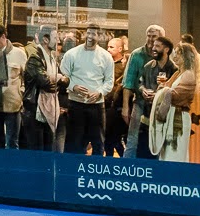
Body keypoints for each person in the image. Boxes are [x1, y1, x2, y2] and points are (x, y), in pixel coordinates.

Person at [60, 25, 114, 157]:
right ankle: (73, 168)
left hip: (97, 106)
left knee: (98, 144)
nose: (90, 36)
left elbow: (109, 81)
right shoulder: (71, 54)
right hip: (75, 104)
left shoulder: (106, 56)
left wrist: (100, 92)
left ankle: (95, 169)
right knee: (74, 143)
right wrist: (73, 86)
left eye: (93, 34)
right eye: (88, 33)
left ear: (99, 36)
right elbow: (63, 76)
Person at [147, 40, 200, 162]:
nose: (174, 57)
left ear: (186, 57)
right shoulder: (178, 73)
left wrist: (163, 91)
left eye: (178, 54)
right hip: (170, 117)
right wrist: (161, 91)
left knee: (175, 155)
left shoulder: (188, 75)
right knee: (166, 155)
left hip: (178, 118)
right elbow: (165, 89)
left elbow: (176, 96)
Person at [121, 25, 165, 158]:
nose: (150, 39)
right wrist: (125, 107)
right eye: (149, 36)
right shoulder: (136, 55)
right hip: (140, 103)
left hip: (160, 105)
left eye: (154, 36)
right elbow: (128, 82)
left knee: (159, 141)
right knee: (132, 140)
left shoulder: (167, 55)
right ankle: (128, 168)